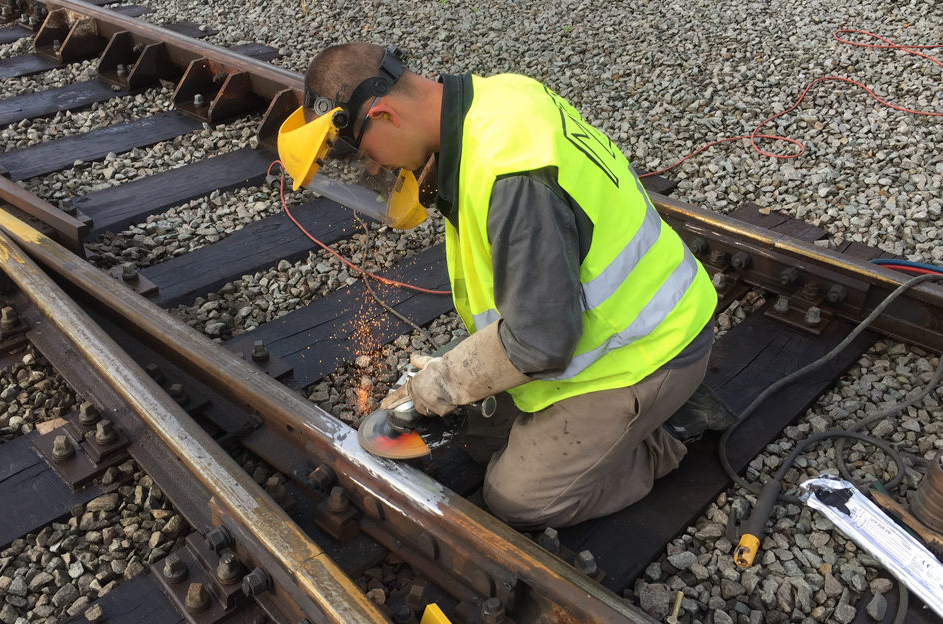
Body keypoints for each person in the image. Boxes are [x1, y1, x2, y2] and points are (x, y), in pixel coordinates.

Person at [283, 42, 719, 529]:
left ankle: (668, 434)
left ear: (385, 114)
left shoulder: (507, 172)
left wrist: (445, 381)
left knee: (518, 500)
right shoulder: (496, 98)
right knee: (479, 438)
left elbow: (540, 342)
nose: (373, 169)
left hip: (650, 350)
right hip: (602, 329)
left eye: (366, 155)